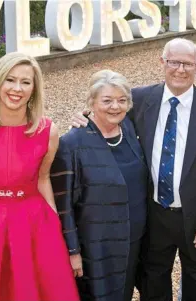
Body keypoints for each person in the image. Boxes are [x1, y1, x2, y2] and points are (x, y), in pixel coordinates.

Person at [71, 38, 196, 301]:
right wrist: (84, 119)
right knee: (153, 282)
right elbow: (107, 112)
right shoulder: (138, 99)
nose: (180, 70)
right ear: (162, 62)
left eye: (187, 64)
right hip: (153, 214)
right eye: (174, 62)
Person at [0, 52, 79, 301]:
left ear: (34, 88)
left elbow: (43, 178)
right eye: (10, 80)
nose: (17, 89)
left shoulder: (47, 131)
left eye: (25, 82)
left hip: (32, 223)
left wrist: (53, 220)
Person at [51, 70, 148, 301]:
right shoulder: (72, 143)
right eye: (107, 100)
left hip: (132, 241)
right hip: (94, 246)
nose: (115, 106)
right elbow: (63, 205)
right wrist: (72, 251)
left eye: (122, 100)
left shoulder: (130, 129)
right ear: (91, 102)